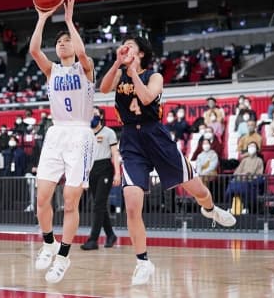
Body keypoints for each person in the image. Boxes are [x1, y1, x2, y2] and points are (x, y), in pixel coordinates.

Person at [99, 35, 235, 286]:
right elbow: (103, 89)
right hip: (130, 139)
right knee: (131, 203)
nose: (124, 48)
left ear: (140, 53)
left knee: (197, 189)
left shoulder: (154, 75)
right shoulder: (119, 74)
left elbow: (148, 97)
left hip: (156, 135)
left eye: (130, 46)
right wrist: (117, 65)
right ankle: (142, 261)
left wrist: (132, 72)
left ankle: (211, 210)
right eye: (123, 45)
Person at [29, 0, 95, 284]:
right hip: (56, 133)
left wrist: (69, 21)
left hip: (80, 133)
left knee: (70, 201)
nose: (63, 44)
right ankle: (48, 243)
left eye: (66, 40)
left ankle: (64, 256)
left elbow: (82, 53)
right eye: (59, 42)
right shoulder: (51, 70)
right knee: (41, 198)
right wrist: (43, 17)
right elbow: (33, 49)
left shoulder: (85, 67)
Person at [80, 107, 120, 251]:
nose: (91, 117)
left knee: (98, 205)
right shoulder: (87, 134)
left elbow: (115, 154)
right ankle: (111, 235)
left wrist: (117, 173)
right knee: (99, 205)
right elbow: (84, 157)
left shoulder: (109, 132)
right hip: (92, 170)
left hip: (105, 169)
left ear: (101, 116)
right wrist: (83, 176)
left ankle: (93, 240)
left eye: (94, 114)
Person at [224, 142, 264, 213]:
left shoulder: (259, 160)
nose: (251, 148)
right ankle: (229, 207)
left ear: (257, 149)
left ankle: (245, 207)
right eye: (250, 146)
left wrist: (249, 175)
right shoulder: (244, 160)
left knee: (244, 187)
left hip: (250, 181)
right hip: (240, 179)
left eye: (253, 146)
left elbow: (259, 174)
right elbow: (236, 172)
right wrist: (242, 175)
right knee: (232, 184)